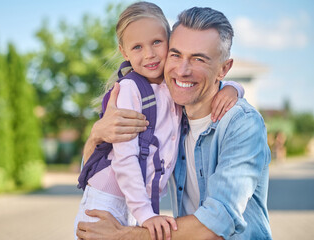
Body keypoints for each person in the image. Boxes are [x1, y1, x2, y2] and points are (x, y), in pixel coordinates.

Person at [76, 5, 271, 240]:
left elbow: (219, 221)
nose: (182, 70)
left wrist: (124, 236)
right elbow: (100, 167)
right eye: (176, 54)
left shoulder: (242, 124)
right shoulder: (175, 113)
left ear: (223, 69)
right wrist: (96, 134)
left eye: (198, 59)